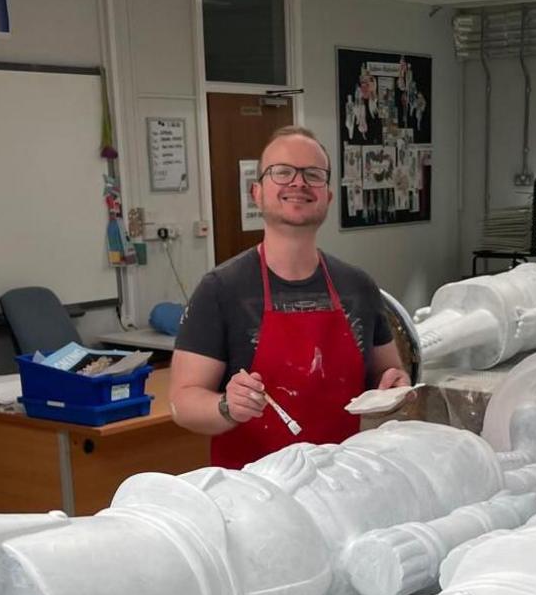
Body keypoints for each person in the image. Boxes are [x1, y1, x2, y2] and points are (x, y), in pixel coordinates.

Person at [170, 126, 410, 469]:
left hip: (344, 484)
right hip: (253, 495)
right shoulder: (221, 290)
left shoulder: (358, 286)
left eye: (312, 174)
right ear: (257, 193)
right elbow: (183, 401)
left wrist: (394, 386)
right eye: (282, 172)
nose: (298, 183)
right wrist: (227, 406)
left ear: (327, 196)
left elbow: (389, 372)